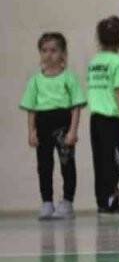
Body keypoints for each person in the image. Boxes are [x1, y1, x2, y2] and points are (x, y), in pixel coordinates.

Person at [23, 32, 85, 220]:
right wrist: (31, 131)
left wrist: (73, 130)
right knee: (44, 165)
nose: (48, 54)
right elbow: (31, 108)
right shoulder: (35, 80)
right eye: (44, 50)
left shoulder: (69, 78)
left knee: (66, 163)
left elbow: (76, 106)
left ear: (63, 54)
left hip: (63, 124)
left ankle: (67, 202)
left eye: (53, 50)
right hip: (43, 124)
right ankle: (47, 202)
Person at [86, 16, 119, 216]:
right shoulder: (118, 61)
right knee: (116, 161)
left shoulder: (94, 61)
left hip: (95, 118)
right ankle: (111, 201)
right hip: (112, 118)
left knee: (100, 160)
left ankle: (103, 203)